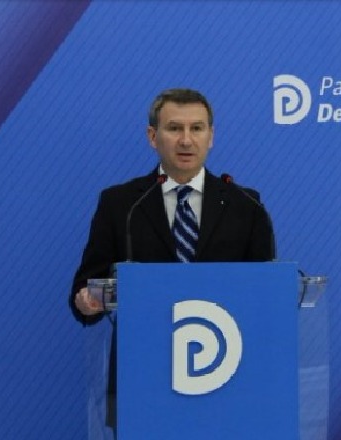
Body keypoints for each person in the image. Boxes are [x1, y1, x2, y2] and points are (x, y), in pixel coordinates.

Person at [69, 88, 274, 431]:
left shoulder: (246, 204)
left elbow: (266, 291)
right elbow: (86, 286)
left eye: (197, 128)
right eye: (174, 128)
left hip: (226, 373)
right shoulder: (121, 204)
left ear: (211, 136)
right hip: (142, 377)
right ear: (153, 136)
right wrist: (87, 301)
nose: (186, 140)